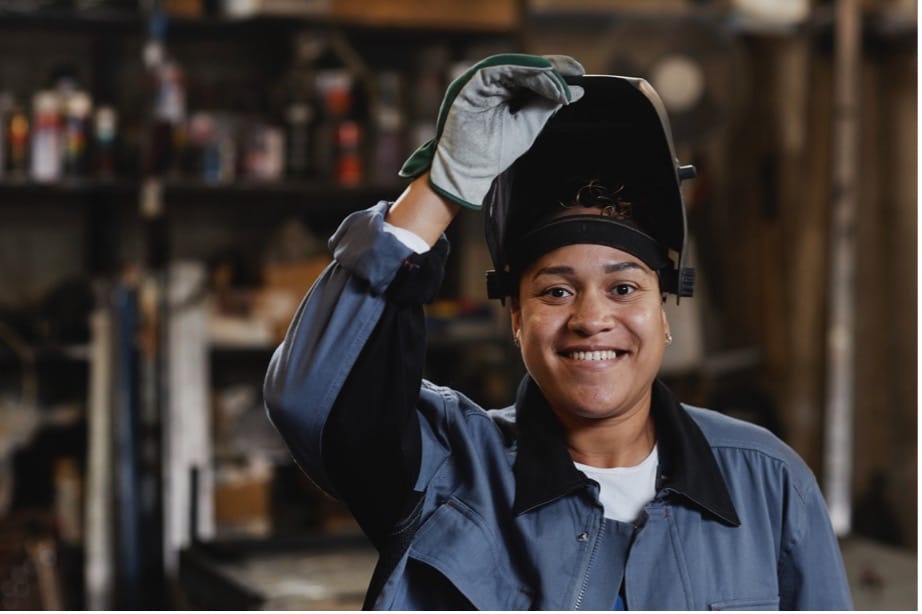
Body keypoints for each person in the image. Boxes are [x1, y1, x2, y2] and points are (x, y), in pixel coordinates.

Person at [264, 54, 853, 610]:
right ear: (516, 319)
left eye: (623, 288)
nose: (592, 318)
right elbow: (314, 400)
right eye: (556, 291)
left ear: (664, 313)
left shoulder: (767, 483)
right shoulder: (448, 472)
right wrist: (440, 190)